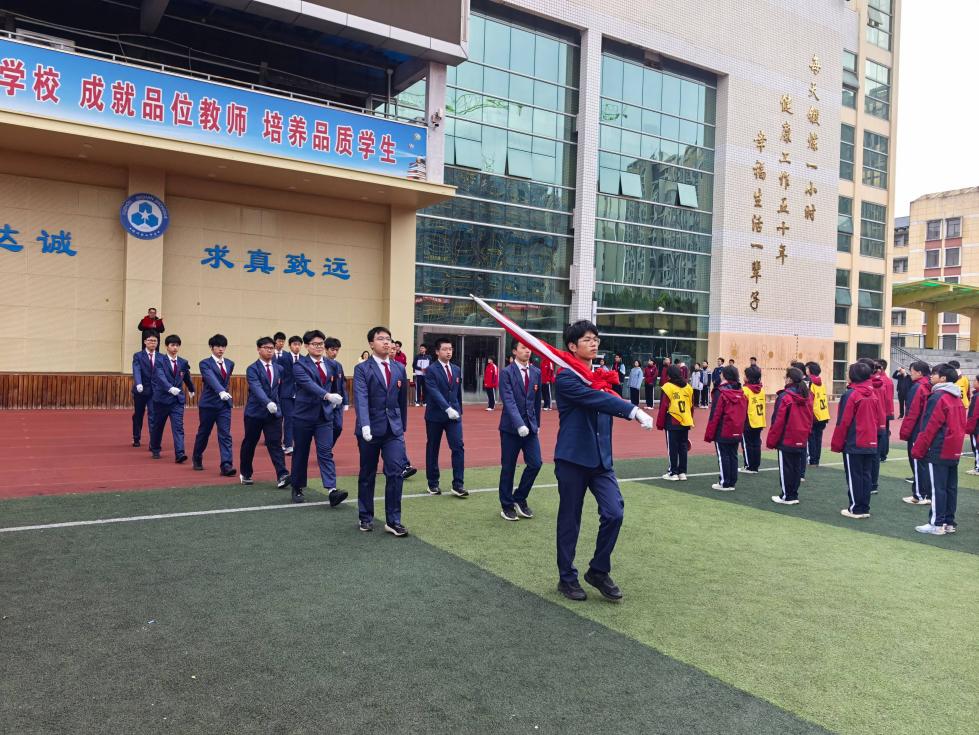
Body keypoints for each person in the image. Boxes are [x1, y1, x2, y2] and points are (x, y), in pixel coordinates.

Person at [553, 320, 654, 602]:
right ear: (572, 346)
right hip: (573, 459)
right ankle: (566, 578)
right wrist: (633, 411)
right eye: (587, 339)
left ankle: (598, 570)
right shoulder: (567, 378)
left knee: (614, 513)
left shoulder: (600, 376)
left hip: (601, 460)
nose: (594, 343)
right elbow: (597, 400)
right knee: (570, 520)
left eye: (595, 339)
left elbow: (604, 398)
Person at [354, 326, 410, 536]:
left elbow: (402, 401)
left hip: (393, 430)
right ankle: (365, 516)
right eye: (381, 339)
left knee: (395, 472)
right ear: (371, 344)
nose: (386, 342)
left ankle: (393, 520)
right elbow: (361, 398)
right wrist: (365, 425)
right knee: (367, 474)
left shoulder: (399, 368)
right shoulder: (362, 369)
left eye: (389, 339)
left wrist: (402, 426)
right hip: (369, 429)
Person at [289, 329, 347, 507]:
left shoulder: (331, 365)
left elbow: (337, 386)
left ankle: (332, 489)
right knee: (301, 452)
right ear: (306, 346)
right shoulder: (299, 365)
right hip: (304, 416)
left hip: (324, 416)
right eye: (315, 344)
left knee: (325, 451)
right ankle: (297, 486)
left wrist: (337, 403)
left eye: (321, 343)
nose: (319, 347)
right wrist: (328, 396)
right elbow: (308, 384)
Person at [911, 363, 966, 535]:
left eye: (934, 374)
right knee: (950, 487)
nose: (931, 376)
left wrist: (919, 449)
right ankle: (948, 522)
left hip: (939, 448)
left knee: (938, 488)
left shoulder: (938, 397)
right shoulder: (956, 397)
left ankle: (937, 523)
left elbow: (929, 426)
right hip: (953, 448)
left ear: (943, 378)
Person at [498, 340, 543, 522]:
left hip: (530, 428)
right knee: (508, 467)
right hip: (511, 428)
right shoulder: (506, 372)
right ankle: (506, 505)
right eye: (523, 347)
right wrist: (519, 424)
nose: (527, 351)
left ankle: (519, 497)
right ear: (515, 351)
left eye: (529, 348)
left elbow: (537, 400)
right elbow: (508, 400)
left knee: (536, 463)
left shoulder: (536, 372)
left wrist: (537, 424)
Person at [830, 361, 879, 519]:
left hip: (854, 440)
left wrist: (837, 444)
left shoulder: (851, 394)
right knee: (865, 475)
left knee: (854, 476)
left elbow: (843, 421)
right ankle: (864, 507)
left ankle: (856, 508)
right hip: (870, 440)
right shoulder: (873, 393)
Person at [239, 337, 290, 488]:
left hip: (274, 414)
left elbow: (279, 390)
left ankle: (282, 474)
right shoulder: (252, 369)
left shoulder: (279, 368)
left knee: (275, 444)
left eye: (271, 348)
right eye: (266, 348)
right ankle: (246, 473)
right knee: (250, 443)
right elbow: (256, 388)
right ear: (258, 349)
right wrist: (268, 402)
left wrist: (278, 407)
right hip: (255, 413)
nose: (269, 350)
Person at [424, 337, 467, 497]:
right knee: (433, 448)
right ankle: (433, 483)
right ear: (437, 352)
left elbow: (457, 392)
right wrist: (447, 408)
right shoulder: (431, 370)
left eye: (450, 349)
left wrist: (458, 410)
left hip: (454, 416)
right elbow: (434, 392)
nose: (448, 352)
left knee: (458, 447)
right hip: (435, 415)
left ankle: (458, 484)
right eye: (444, 349)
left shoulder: (456, 369)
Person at [767, 367, 813, 506]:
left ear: (789, 379)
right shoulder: (808, 395)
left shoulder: (785, 397)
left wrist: (772, 440)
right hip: (801, 436)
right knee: (796, 467)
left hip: (787, 437)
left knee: (786, 468)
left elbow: (778, 420)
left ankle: (787, 496)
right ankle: (793, 494)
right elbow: (810, 418)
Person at [191, 334, 236, 476]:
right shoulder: (205, 363)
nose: (221, 349)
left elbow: (225, 380)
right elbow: (210, 378)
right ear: (211, 347)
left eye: (223, 346)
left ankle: (226, 465)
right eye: (218, 346)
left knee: (225, 434)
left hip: (224, 405)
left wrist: (224, 393)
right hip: (208, 404)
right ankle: (197, 456)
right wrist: (221, 391)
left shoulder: (230, 363)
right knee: (204, 433)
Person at [148, 334, 194, 462]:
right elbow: (160, 377)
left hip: (177, 401)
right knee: (158, 426)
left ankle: (180, 453)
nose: (175, 348)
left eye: (177, 345)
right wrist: (170, 388)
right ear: (166, 346)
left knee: (178, 427)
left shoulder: (183, 362)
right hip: (161, 400)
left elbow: (186, 376)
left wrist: (191, 389)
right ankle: (155, 448)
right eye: (172, 345)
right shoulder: (159, 361)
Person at [704, 364, 747, 491]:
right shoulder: (741, 392)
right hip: (736, 428)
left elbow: (715, 414)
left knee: (723, 456)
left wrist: (710, 433)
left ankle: (725, 482)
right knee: (733, 455)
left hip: (723, 429)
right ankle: (731, 481)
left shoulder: (721, 392)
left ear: (724, 375)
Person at [898, 360, 933, 505]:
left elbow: (912, 412)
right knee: (925, 463)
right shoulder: (930, 385)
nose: (910, 373)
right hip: (927, 429)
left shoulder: (918, 387)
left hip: (917, 430)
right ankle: (927, 494)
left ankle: (919, 495)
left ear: (919, 373)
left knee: (918, 462)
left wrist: (905, 432)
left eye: (912, 371)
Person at [656, 365, 694, 481]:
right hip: (685, 420)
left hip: (673, 420)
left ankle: (673, 472)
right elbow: (691, 406)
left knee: (672, 447)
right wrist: (690, 419)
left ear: (669, 375)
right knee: (683, 447)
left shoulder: (667, 387)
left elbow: (663, 406)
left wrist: (660, 423)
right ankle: (682, 472)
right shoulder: (688, 387)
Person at [131, 330, 160, 448]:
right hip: (141, 390)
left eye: (155, 341)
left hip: (154, 391)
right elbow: (136, 369)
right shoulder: (138, 355)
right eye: (150, 340)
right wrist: (138, 383)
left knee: (153, 415)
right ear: (145, 342)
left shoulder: (161, 357)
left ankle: (153, 442)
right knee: (138, 415)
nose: (153, 343)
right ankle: (136, 437)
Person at [277, 336, 302, 455]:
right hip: (286, 393)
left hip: (300, 394)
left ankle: (298, 443)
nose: (297, 347)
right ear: (290, 346)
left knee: (299, 420)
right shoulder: (282, 358)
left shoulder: (304, 359)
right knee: (289, 419)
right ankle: (288, 445)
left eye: (299, 344)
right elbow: (278, 375)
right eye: (294, 344)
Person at [805, 361, 830, 471]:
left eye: (807, 369)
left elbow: (809, 401)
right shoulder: (821, 383)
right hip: (823, 415)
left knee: (811, 439)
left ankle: (812, 460)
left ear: (810, 370)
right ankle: (816, 460)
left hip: (814, 415)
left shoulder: (810, 383)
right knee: (818, 439)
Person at [324, 337, 349, 448]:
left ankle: (328, 447)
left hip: (338, 403)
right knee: (326, 428)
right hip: (326, 402)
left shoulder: (339, 365)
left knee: (338, 427)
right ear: (326, 349)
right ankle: (325, 450)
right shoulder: (322, 364)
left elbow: (342, 383)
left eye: (337, 350)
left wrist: (346, 401)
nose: (334, 352)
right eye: (332, 349)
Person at [741, 364, 765, 472]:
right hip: (759, 420)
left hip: (748, 421)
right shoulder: (762, 390)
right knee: (756, 443)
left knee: (747, 444)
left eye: (745, 375)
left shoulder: (745, 390)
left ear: (748, 378)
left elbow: (742, 407)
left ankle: (749, 466)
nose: (743, 377)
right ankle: (755, 466)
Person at [876, 359, 895, 463]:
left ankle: (881, 454)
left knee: (882, 433)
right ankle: (883, 454)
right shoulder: (888, 380)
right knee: (885, 432)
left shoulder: (881, 380)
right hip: (887, 410)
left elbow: (886, 398)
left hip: (883, 410)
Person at [966, 375, 979, 476]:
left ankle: (978, 468)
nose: (973, 382)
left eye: (975, 380)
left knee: (977, 447)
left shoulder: (976, 396)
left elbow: (974, 414)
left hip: (976, 427)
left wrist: (969, 428)